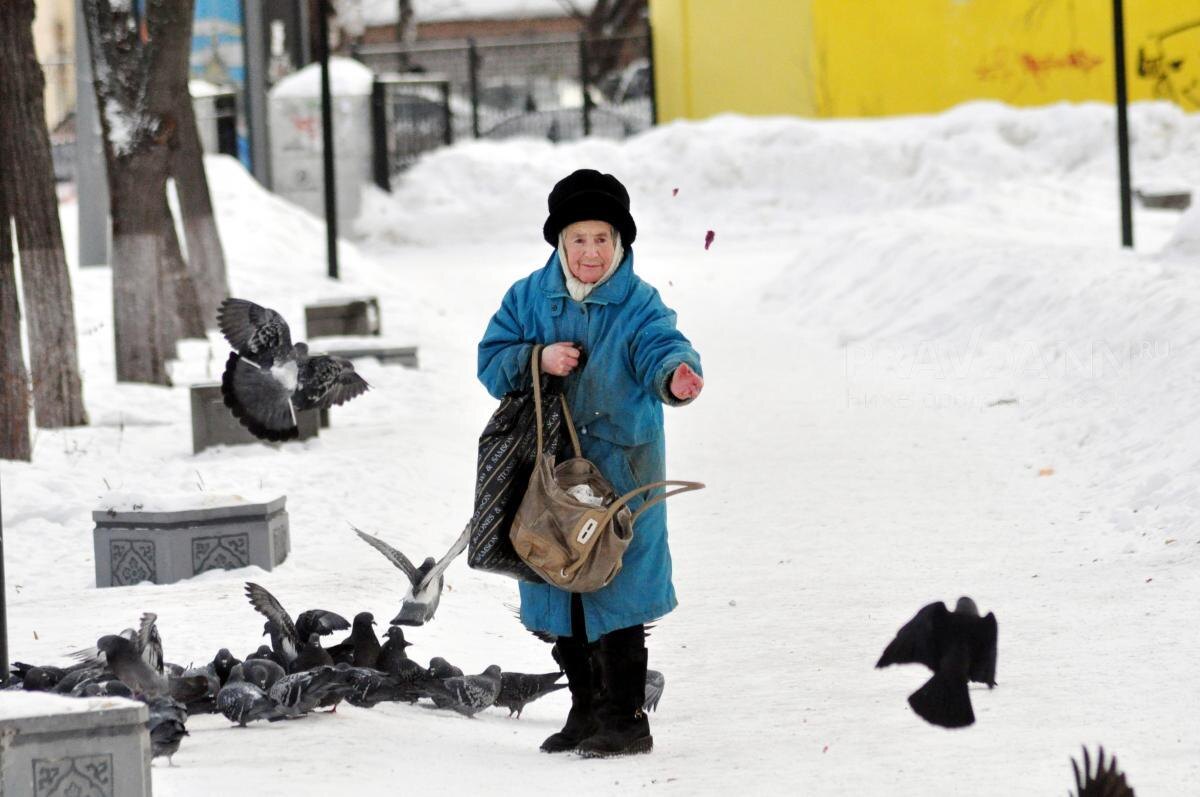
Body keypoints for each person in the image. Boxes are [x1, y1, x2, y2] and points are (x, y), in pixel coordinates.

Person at [477, 169, 704, 757]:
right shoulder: (528, 296)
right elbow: (491, 360)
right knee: (558, 582)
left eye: (602, 238)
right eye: (579, 238)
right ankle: (584, 711)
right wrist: (536, 357)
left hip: (621, 470)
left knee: (616, 585)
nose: (591, 252)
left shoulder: (639, 301)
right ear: (560, 242)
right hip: (548, 473)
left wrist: (675, 376)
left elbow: (662, 345)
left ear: (619, 241)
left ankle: (625, 720)